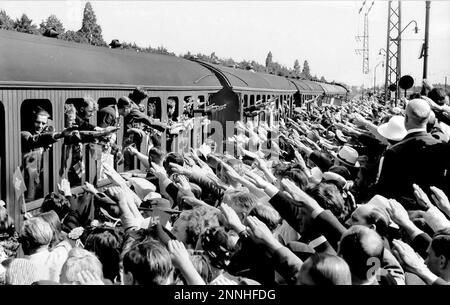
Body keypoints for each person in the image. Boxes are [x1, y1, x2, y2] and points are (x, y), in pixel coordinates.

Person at [376, 99, 450, 209]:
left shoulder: (394, 152)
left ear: (406, 118)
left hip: (406, 215)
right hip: (439, 213)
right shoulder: (444, 148)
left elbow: (385, 193)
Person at [21, 106, 74, 201]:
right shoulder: (25, 134)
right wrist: (58, 135)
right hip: (27, 184)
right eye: (37, 122)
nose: (40, 126)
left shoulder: (45, 131)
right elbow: (34, 140)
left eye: (43, 123)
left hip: (40, 181)